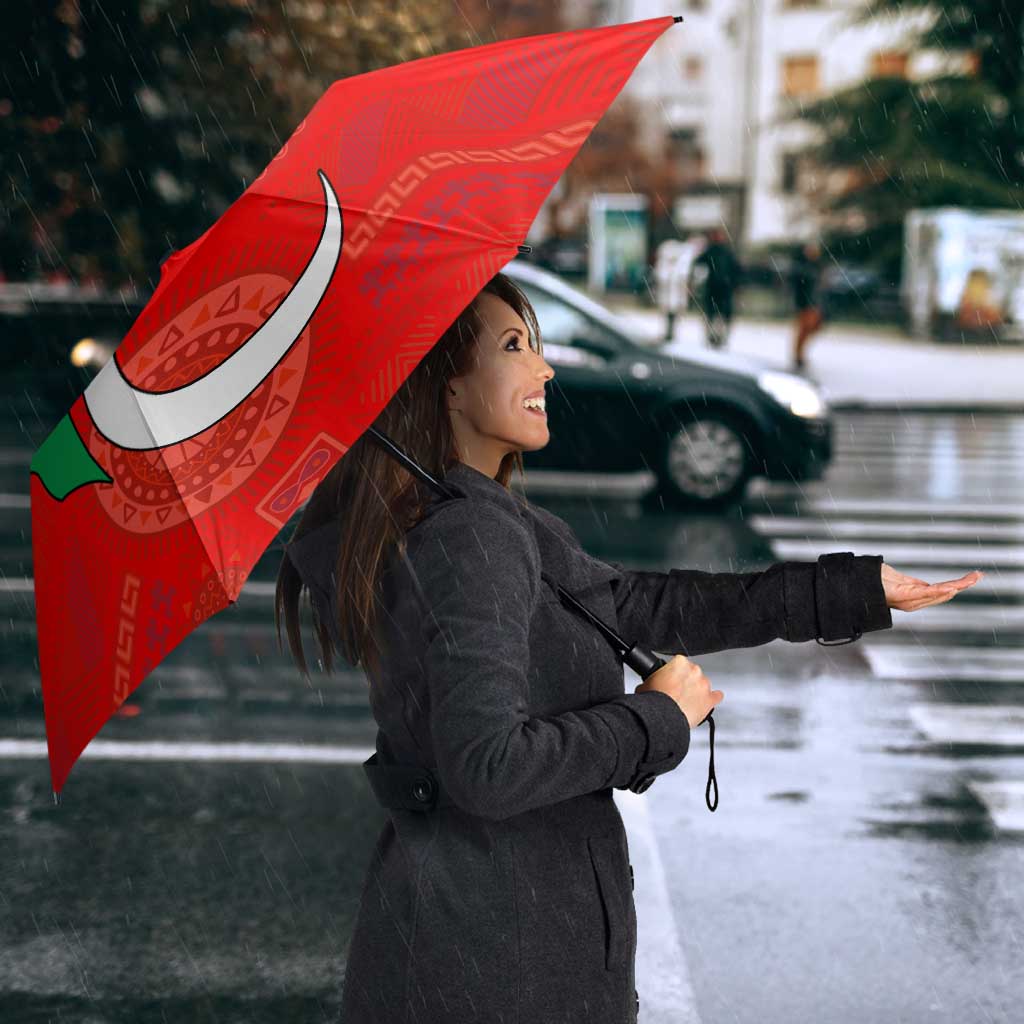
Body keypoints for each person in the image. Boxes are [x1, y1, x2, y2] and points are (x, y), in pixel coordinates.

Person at [276, 271, 980, 1024]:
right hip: (497, 962)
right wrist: (654, 719)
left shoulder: (480, 519)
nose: (544, 368)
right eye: (514, 346)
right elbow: (487, 767)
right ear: (445, 386)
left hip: (482, 942)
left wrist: (850, 591)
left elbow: (642, 605)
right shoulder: (469, 536)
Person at [692, 226, 742, 349]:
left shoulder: (725, 252)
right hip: (715, 288)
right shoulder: (712, 251)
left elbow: (736, 270)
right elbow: (698, 264)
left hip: (723, 288)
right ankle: (713, 337)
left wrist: (735, 284)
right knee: (713, 314)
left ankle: (719, 337)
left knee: (720, 315)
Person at [790, 239, 826, 370]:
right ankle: (798, 355)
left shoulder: (817, 266)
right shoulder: (802, 267)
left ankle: (799, 354)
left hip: (814, 303)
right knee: (804, 329)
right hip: (805, 303)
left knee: (812, 328)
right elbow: (799, 286)